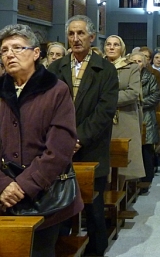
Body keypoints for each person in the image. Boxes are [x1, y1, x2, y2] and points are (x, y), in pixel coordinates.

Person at [0, 25, 83, 257]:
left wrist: (23, 185)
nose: (9, 55)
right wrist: (4, 185)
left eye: (17, 48)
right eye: (4, 50)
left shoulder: (56, 91)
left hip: (46, 196)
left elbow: (59, 149)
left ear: (36, 53)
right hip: (3, 195)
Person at [48, 15, 118, 256]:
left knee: (93, 207)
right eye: (71, 34)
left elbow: (105, 110)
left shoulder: (105, 69)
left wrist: (78, 139)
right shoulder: (55, 68)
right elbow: (47, 108)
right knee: (59, 205)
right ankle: (63, 248)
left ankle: (97, 250)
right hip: (59, 148)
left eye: (80, 34)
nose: (75, 39)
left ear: (91, 37)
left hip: (91, 147)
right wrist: (62, 139)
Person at [104, 35, 145, 186]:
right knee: (105, 160)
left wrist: (106, 99)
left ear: (122, 48)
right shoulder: (99, 66)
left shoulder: (131, 67)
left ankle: (119, 191)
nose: (112, 47)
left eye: (116, 45)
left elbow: (133, 92)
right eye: (108, 44)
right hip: (103, 118)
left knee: (122, 161)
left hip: (125, 117)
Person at [129, 51, 160, 192]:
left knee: (145, 149)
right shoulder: (127, 76)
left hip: (146, 116)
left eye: (139, 61)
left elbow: (155, 96)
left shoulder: (150, 77)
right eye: (133, 61)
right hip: (131, 117)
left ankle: (146, 180)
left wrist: (139, 102)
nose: (136, 64)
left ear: (145, 63)